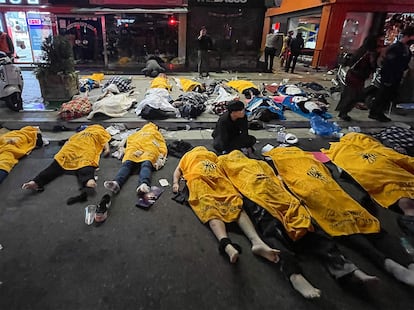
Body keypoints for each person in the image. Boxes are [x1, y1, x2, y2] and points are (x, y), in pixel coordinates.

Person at [218, 150, 380, 295]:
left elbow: (278, 176)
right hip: (257, 198)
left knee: (308, 227)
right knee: (273, 230)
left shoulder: (259, 163)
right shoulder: (225, 164)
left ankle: (347, 268)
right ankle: (294, 274)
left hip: (280, 195)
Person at [265, 145, 414, 286]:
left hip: (321, 193)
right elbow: (328, 169)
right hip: (326, 192)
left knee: (358, 228)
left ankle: (393, 263)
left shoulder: (278, 160)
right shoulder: (301, 156)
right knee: (366, 226)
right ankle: (395, 263)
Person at [172, 146, 280, 265]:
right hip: (198, 179)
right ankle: (226, 244)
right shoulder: (186, 157)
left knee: (236, 202)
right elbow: (177, 171)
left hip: (218, 178)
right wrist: (175, 183)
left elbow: (223, 166)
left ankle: (257, 242)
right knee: (210, 208)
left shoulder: (211, 155)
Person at [322, 132, 414, 217]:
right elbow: (400, 159)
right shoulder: (375, 147)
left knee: (398, 195)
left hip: (360, 173)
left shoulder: (338, 149)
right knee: (403, 195)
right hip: (381, 169)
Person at [22, 125, 111, 204]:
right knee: (85, 163)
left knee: (56, 166)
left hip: (70, 150)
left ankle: (36, 182)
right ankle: (88, 180)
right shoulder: (99, 132)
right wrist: (107, 150)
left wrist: (64, 147)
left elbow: (68, 142)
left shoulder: (78, 134)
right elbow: (104, 141)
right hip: (84, 149)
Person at [369, 26, 414, 122]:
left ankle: (379, 112)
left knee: (388, 96)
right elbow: (388, 64)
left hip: (396, 77)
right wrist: (388, 78)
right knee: (382, 95)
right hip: (389, 77)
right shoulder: (395, 48)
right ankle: (375, 112)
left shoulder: (406, 50)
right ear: (408, 36)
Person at [335, 35, 380, 121]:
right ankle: (343, 112)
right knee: (353, 96)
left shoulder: (361, 50)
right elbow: (369, 65)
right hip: (357, 77)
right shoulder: (368, 53)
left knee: (349, 94)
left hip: (353, 75)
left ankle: (343, 112)